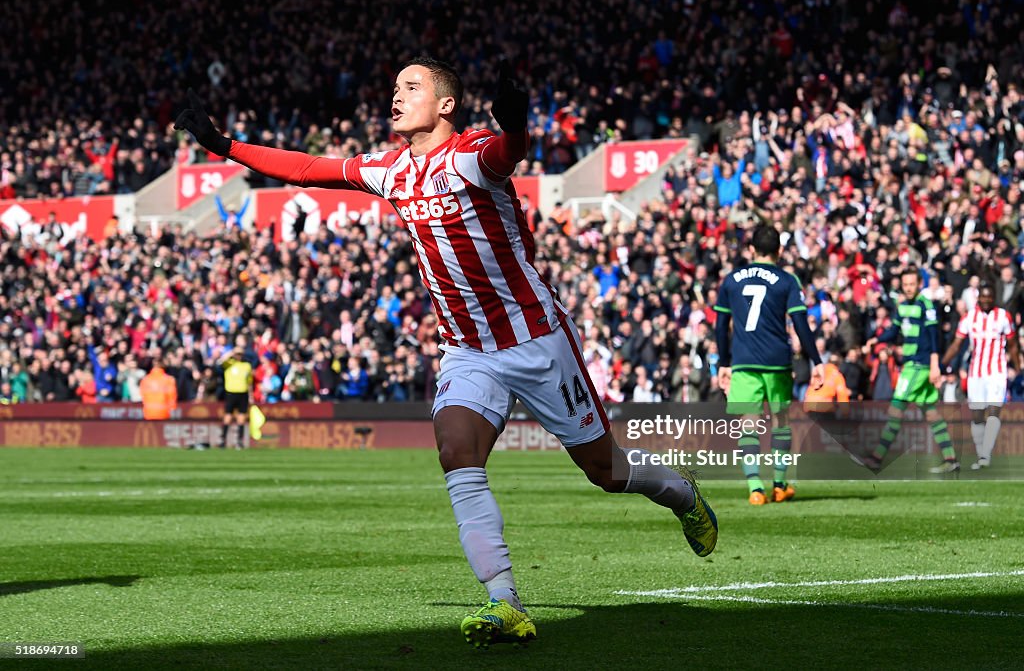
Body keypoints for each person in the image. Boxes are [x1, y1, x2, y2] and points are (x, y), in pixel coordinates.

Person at [175, 56, 717, 648]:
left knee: (605, 471)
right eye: (396, 87)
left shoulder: (470, 155)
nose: (396, 96)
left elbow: (506, 154)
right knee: (457, 452)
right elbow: (307, 168)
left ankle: (683, 494)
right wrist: (221, 143)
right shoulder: (391, 170)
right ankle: (505, 602)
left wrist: (516, 126)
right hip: (467, 349)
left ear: (446, 105)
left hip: (534, 338)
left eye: (412, 87)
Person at [714, 225, 824, 505]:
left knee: (748, 425)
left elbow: (720, 325)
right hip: (777, 361)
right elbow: (800, 322)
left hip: (743, 361)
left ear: (751, 250)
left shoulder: (731, 280)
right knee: (781, 422)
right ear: (779, 251)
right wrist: (816, 360)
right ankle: (779, 484)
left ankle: (754, 488)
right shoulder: (787, 280)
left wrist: (724, 363)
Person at [864, 270, 959, 473]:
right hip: (911, 364)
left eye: (911, 284)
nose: (908, 288)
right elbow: (894, 331)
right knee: (930, 412)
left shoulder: (926, 304)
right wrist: (877, 339)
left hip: (919, 364)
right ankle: (951, 459)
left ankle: (876, 458)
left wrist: (935, 363)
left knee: (897, 406)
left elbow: (935, 335)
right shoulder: (902, 307)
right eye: (905, 284)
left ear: (918, 284)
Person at [941, 284, 1020, 470]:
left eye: (989, 297)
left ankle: (986, 454)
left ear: (993, 298)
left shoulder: (1003, 316)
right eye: (983, 297)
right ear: (978, 298)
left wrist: (1017, 367)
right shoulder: (969, 318)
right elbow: (956, 344)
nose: (986, 300)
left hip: (997, 371)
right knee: (977, 415)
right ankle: (981, 452)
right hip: (976, 372)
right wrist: (942, 364)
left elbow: (1013, 344)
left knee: (994, 411)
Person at [218, 346, 253, 449]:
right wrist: (230, 353)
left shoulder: (246, 365)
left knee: (241, 417)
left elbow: (249, 381)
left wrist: (250, 395)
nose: (239, 356)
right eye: (237, 354)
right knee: (228, 416)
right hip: (231, 393)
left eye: (240, 354)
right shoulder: (229, 364)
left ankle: (239, 441)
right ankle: (223, 439)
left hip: (243, 393)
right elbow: (220, 361)